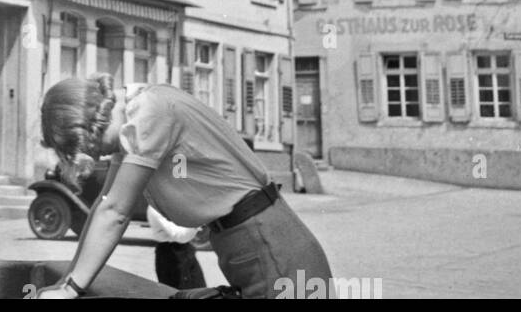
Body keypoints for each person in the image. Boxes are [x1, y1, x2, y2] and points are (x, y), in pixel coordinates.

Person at [32, 74, 332, 300]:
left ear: (87, 128)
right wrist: (67, 280)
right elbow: (104, 203)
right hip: (251, 243)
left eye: (84, 148)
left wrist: (70, 290)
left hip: (270, 247)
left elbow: (116, 213)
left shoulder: (149, 113)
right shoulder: (137, 115)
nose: (94, 157)